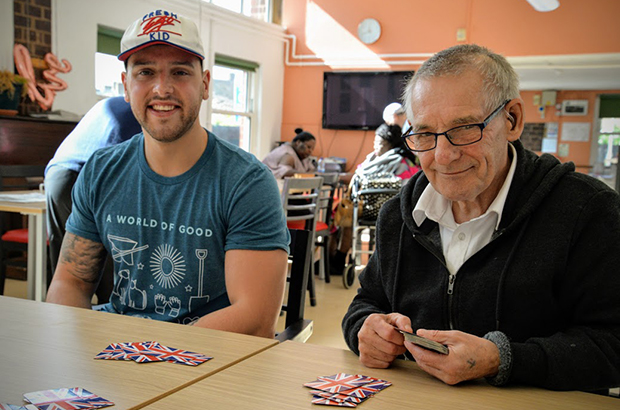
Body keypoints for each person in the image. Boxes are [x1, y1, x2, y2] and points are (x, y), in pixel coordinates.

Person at [342, 44, 620, 392]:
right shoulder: (397, 215)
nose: (443, 156)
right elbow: (366, 302)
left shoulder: (588, 211)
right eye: (425, 134)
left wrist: (502, 359)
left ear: (513, 120)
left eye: (464, 128)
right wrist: (364, 329)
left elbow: (613, 344)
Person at [46, 9, 289, 339]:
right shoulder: (101, 171)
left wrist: (147, 351)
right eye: (145, 72)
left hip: (208, 359)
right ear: (126, 85)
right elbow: (70, 283)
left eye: (180, 72)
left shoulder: (247, 183)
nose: (162, 88)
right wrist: (68, 350)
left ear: (204, 85)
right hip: (115, 353)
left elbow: (255, 319)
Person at [45, 97, 141, 302]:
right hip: (85, 176)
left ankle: (61, 323)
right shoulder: (144, 114)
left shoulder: (113, 104)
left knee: (65, 265)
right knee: (105, 267)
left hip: (58, 173)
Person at [330, 123, 420, 275]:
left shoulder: (384, 161)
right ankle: (334, 259)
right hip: (404, 211)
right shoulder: (409, 159)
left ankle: (337, 259)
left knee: (344, 213)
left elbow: (362, 180)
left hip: (373, 209)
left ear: (386, 143)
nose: (375, 147)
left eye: (377, 143)